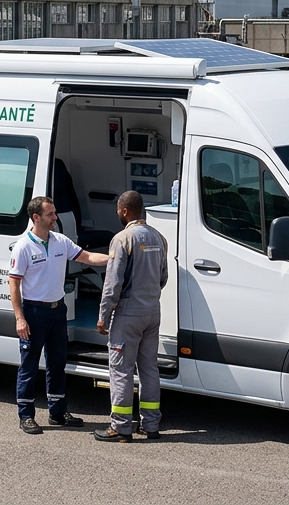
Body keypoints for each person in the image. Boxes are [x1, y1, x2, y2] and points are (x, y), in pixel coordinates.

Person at [9, 196, 109, 435]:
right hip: (34, 312)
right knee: (29, 365)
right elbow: (14, 284)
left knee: (57, 363)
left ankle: (57, 412)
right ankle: (26, 416)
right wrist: (20, 318)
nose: (55, 218)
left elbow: (87, 257)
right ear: (36, 218)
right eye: (51, 214)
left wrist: (115, 258)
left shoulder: (60, 241)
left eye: (54, 213)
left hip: (57, 311)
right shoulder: (24, 246)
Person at [94, 190, 170, 443]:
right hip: (152, 312)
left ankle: (121, 427)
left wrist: (104, 315)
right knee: (149, 368)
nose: (117, 213)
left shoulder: (123, 238)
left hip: (128, 314)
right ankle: (151, 425)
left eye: (118, 210)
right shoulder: (159, 238)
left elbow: (113, 283)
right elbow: (163, 278)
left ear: (125, 211)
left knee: (121, 370)